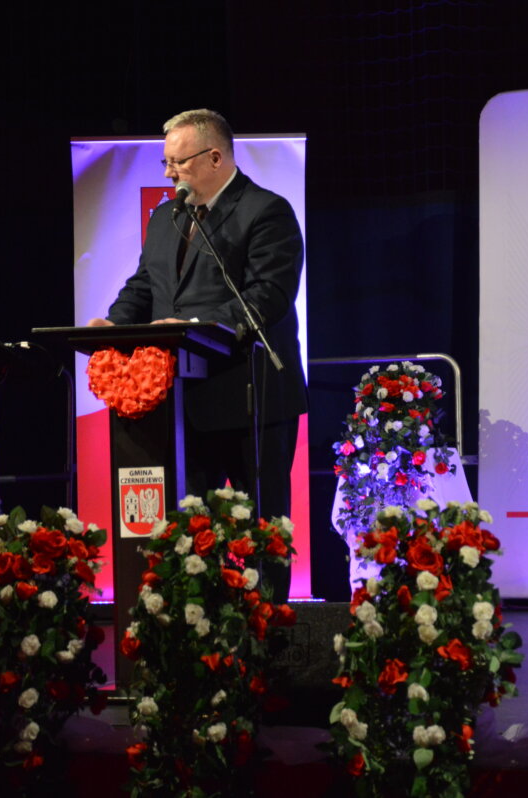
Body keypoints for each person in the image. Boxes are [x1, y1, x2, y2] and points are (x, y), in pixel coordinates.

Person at [87, 109, 306, 601]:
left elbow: (268, 295)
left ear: (215, 158)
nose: (169, 173)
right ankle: (200, 627)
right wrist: (114, 325)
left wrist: (192, 328)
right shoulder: (166, 217)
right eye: (166, 162)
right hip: (184, 401)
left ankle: (267, 627)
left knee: (262, 528)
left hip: (250, 396)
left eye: (178, 162)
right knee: (193, 530)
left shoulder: (266, 211)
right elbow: (145, 285)